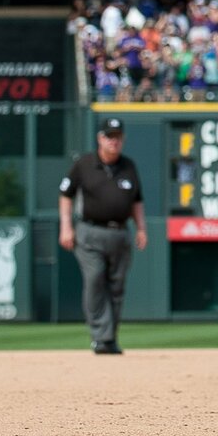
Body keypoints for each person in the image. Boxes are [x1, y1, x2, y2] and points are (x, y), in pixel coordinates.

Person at [58, 117, 147, 354]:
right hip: (90, 232)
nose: (113, 141)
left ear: (123, 139)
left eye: (117, 137)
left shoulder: (129, 166)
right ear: (100, 138)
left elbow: (137, 201)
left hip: (120, 232)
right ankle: (100, 336)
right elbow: (66, 194)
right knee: (95, 279)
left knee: (117, 287)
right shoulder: (84, 164)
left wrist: (141, 228)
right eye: (109, 136)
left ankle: (110, 338)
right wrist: (66, 227)